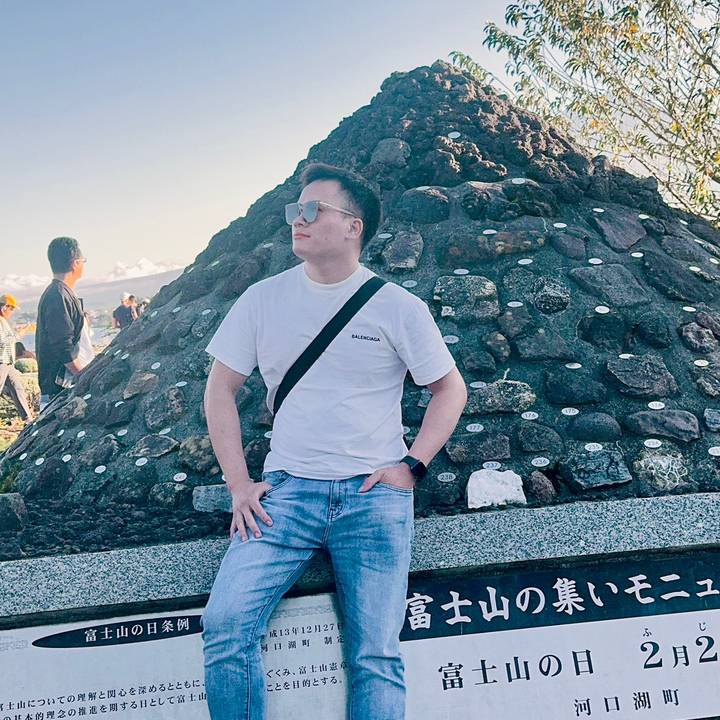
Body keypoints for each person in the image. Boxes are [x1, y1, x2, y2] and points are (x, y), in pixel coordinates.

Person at [201, 163, 467, 720]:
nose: (296, 220)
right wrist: (239, 484)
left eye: (312, 210)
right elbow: (219, 390)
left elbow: (450, 390)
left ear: (353, 226)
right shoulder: (261, 300)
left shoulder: (397, 306)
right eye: (295, 210)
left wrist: (412, 466)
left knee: (375, 655)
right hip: (286, 494)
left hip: (373, 497)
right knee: (225, 626)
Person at [36, 237, 94, 406]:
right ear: (75, 263)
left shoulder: (60, 293)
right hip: (60, 388)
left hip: (63, 386)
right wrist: (83, 375)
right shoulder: (58, 296)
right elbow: (62, 346)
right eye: (83, 261)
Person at [0, 294, 34, 422]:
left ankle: (28, 419)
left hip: (7, 362)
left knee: (17, 388)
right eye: (12, 309)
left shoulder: (3, 321)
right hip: (2, 361)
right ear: (4, 307)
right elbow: (2, 342)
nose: (12, 312)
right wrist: (19, 335)